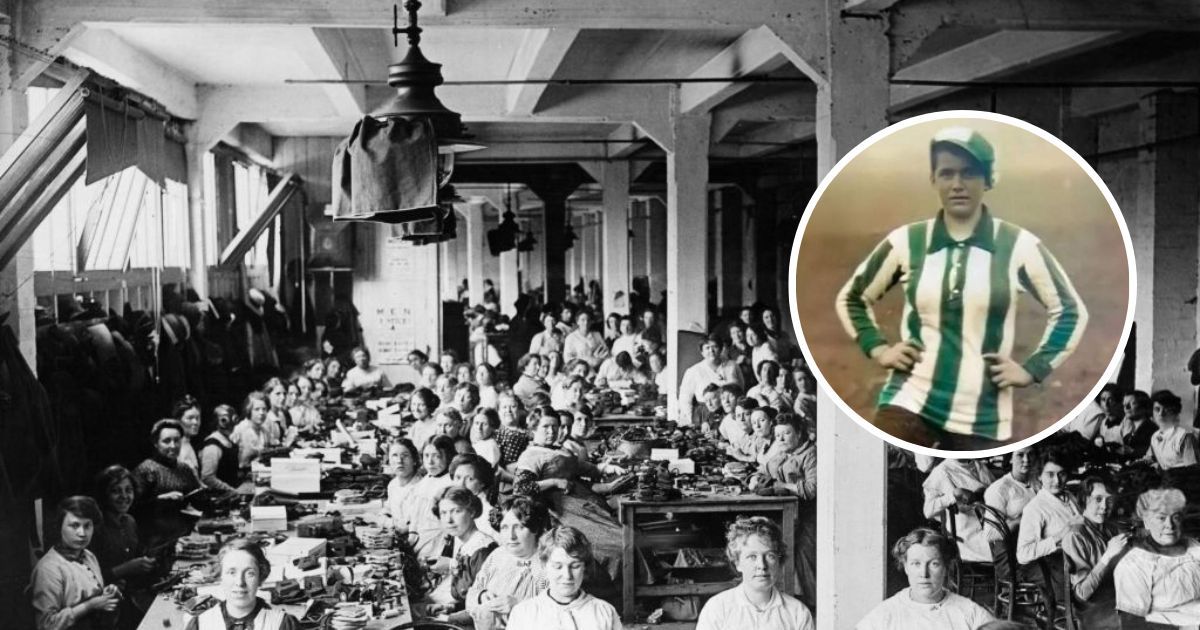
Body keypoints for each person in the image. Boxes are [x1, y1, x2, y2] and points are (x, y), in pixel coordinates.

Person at [837, 126, 1088, 450]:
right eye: (947, 174)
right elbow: (854, 297)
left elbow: (1069, 310)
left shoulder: (1018, 245)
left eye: (969, 173)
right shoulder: (907, 241)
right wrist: (880, 349)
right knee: (880, 470)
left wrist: (1032, 369)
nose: (957, 184)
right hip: (909, 400)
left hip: (980, 413)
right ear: (934, 180)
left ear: (988, 180)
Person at [856, 527, 995, 629]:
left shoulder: (969, 613)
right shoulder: (886, 614)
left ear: (946, 567)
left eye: (934, 564)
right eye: (916, 564)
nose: (924, 573)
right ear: (905, 567)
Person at [747, 414, 816, 608]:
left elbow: (811, 489)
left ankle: (814, 607)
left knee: (805, 558)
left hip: (809, 516)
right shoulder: (783, 454)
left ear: (799, 433)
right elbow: (764, 469)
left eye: (786, 433)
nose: (781, 439)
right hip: (788, 516)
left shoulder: (809, 454)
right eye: (778, 435)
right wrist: (754, 478)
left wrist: (783, 485)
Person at [696, 516, 814, 630]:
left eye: (770, 556)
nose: (762, 565)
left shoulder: (798, 613)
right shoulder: (717, 609)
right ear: (737, 563)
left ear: (779, 561)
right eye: (752, 556)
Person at [31, 496, 122, 630]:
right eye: (74, 525)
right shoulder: (49, 568)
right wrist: (90, 605)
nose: (82, 533)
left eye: (87, 526)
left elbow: (93, 594)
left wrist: (106, 593)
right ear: (59, 527)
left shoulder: (89, 556)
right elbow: (46, 625)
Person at [1113, 488, 1200, 624]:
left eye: (1175, 517)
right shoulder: (1134, 565)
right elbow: (1132, 624)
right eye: (1161, 518)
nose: (1169, 525)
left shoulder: (1193, 547)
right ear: (1147, 522)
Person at [508, 526, 622, 630]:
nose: (567, 576)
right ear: (544, 566)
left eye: (575, 566)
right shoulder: (523, 613)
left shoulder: (604, 612)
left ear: (584, 567)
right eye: (558, 567)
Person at [466, 496, 553, 630]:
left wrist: (519, 605)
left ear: (535, 528)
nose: (511, 536)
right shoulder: (498, 555)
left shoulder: (547, 565)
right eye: (505, 527)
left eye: (519, 527)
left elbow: (554, 615)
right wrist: (481, 596)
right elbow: (472, 593)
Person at [184, 538, 299, 630]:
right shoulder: (200, 625)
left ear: (261, 577)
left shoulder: (282, 625)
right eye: (232, 572)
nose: (240, 582)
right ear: (221, 576)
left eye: (250, 574)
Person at [91, 467, 156, 627]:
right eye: (116, 491)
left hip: (131, 600)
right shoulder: (95, 528)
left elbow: (138, 558)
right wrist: (126, 568)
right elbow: (89, 579)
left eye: (129, 490)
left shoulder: (130, 522)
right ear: (104, 495)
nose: (124, 497)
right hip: (105, 609)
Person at [1061, 476, 1128, 630]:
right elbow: (1081, 594)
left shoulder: (1110, 528)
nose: (1105, 506)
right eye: (1098, 499)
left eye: (1109, 500)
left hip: (1116, 598)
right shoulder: (1075, 535)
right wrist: (1107, 556)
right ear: (1085, 499)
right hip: (1094, 609)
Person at [427, 486, 498, 614]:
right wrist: (451, 608)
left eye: (456, 511)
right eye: (443, 513)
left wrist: (450, 618)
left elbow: (487, 606)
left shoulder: (482, 550)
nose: (449, 520)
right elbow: (470, 597)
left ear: (471, 512)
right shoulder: (467, 544)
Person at [133, 419, 202, 545]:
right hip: (156, 538)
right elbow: (134, 509)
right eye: (166, 441)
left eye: (177, 440)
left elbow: (197, 498)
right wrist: (159, 500)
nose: (173, 445)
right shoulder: (145, 469)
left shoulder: (184, 469)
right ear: (156, 443)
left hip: (185, 535)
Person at [923, 457, 995, 563]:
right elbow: (928, 511)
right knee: (1008, 546)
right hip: (969, 537)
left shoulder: (978, 466)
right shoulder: (942, 471)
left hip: (990, 525)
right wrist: (953, 495)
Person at [1016, 450, 1082, 565]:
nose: (1057, 481)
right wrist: (1059, 536)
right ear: (1039, 476)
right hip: (1061, 567)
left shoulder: (1069, 496)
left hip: (1082, 556)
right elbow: (1023, 554)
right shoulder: (1035, 508)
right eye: (1050, 474)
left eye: (1061, 474)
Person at [408, 436, 459, 559]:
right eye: (426, 456)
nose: (430, 462)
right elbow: (415, 515)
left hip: (438, 543)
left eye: (436, 456)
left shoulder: (450, 484)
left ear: (449, 457)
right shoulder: (425, 480)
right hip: (418, 538)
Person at [678, 335, 745, 426]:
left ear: (721, 349)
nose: (711, 351)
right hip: (706, 416)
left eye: (715, 347)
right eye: (707, 348)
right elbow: (685, 399)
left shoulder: (732, 366)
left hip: (731, 412)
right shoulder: (693, 371)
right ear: (702, 352)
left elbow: (741, 389)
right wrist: (692, 420)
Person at [1143, 389, 1198, 469]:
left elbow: (1192, 469)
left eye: (1166, 409)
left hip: (1183, 479)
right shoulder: (1155, 436)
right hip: (1165, 479)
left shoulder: (1184, 436)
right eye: (1157, 409)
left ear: (1175, 411)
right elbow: (1150, 458)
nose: (1161, 414)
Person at [984, 447, 1036, 531]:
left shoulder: (1040, 481)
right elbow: (991, 534)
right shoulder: (999, 489)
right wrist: (1020, 520)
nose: (1026, 460)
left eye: (1030, 454)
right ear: (1010, 458)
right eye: (1020, 455)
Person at [451, 453, 500, 539]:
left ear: (482, 483)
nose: (461, 484)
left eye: (470, 479)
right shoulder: (452, 505)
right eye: (458, 477)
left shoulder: (488, 514)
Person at [197, 405, 241, 493]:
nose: (228, 423)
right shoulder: (213, 446)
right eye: (224, 419)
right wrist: (232, 490)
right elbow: (207, 478)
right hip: (220, 496)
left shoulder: (228, 440)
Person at [230, 392, 274, 472]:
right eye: (257, 409)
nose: (261, 413)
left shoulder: (265, 430)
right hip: (242, 474)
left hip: (261, 471)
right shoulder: (240, 429)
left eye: (264, 409)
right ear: (249, 410)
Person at [385, 439, 424, 532]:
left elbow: (412, 526)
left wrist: (388, 523)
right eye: (394, 455)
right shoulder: (392, 485)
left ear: (414, 460)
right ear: (389, 461)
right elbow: (386, 510)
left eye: (405, 456)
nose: (399, 461)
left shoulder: (422, 488)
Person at [172, 396, 202, 473]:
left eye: (197, 418)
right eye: (190, 418)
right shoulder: (176, 448)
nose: (195, 422)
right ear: (178, 420)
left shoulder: (188, 444)